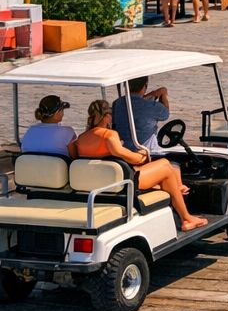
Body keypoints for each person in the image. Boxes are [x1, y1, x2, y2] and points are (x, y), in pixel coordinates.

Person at [72, 99, 207, 231]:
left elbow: (75, 155)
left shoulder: (82, 138)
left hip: (98, 182)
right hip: (123, 181)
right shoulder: (109, 135)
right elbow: (129, 157)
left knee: (165, 175)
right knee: (165, 165)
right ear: (107, 117)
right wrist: (143, 154)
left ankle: (176, 191)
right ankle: (186, 217)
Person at [112, 76, 172, 154]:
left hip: (123, 148)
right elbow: (165, 114)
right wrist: (163, 94)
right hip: (145, 150)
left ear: (126, 85)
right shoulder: (151, 106)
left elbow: (136, 102)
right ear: (145, 85)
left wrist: (152, 94)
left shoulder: (117, 103)